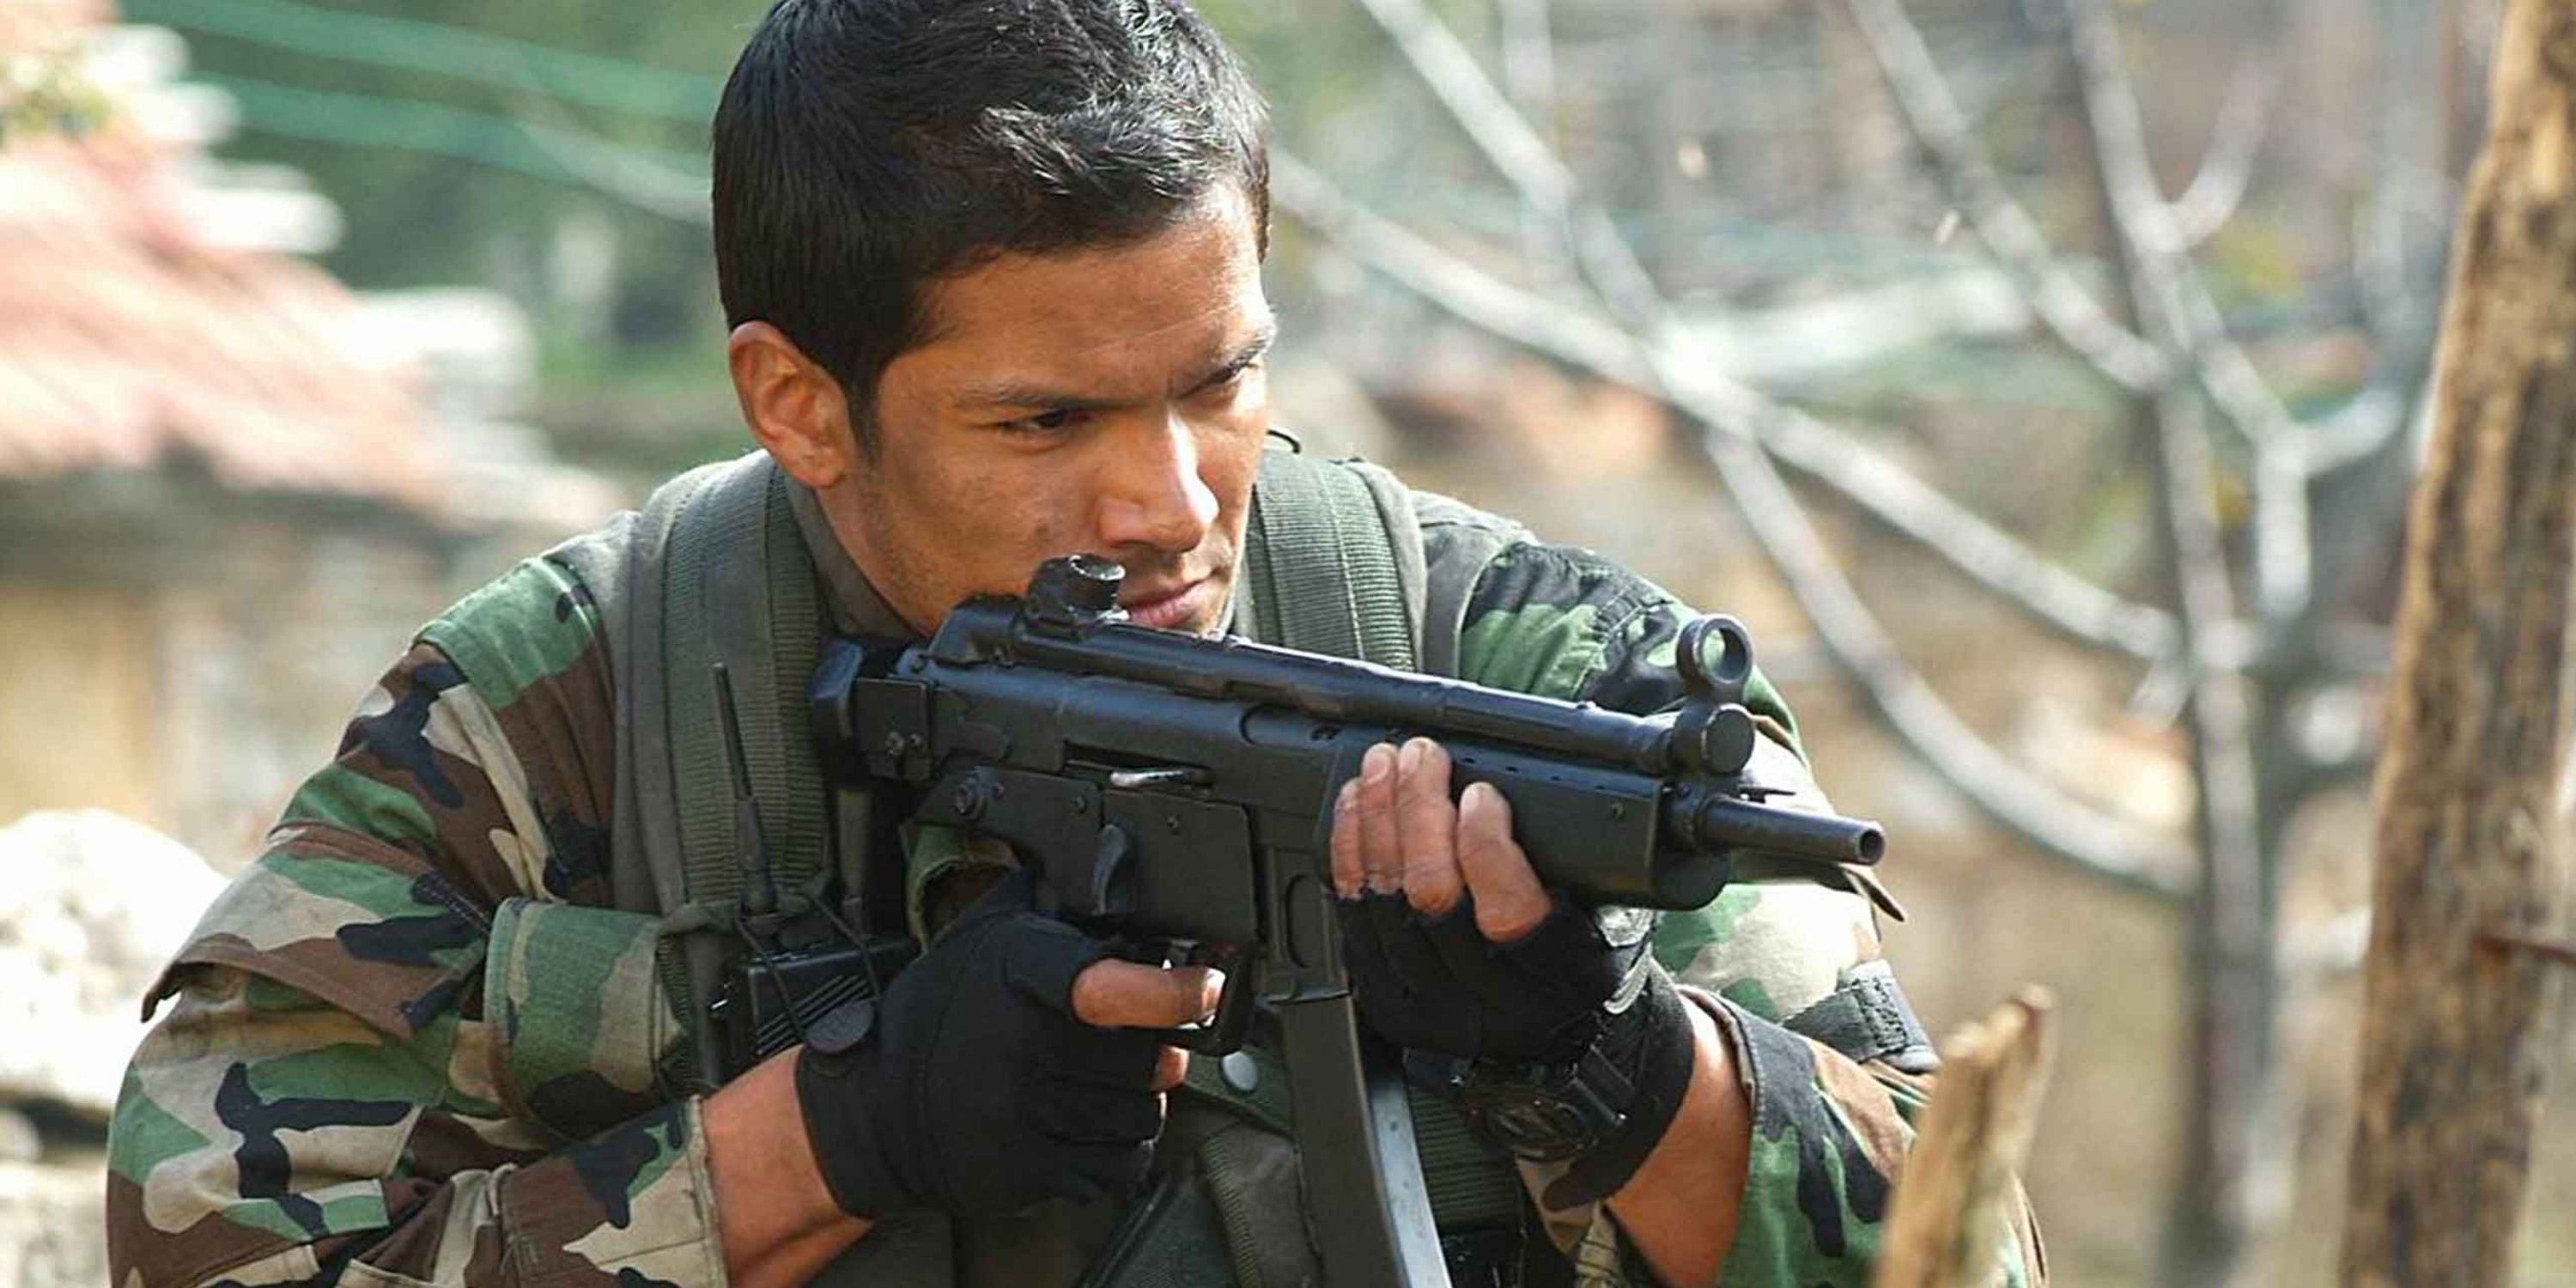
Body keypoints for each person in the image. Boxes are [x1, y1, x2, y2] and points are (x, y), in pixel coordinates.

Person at [104, 2, 2042, 1285]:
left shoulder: (1523, 678)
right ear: (798, 401)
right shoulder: (569, 719)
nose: (1172, 506)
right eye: (1045, 425)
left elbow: (1971, 1254)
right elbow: (203, 1242)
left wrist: (1611, 1065)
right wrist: (828, 1132)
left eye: (1222, 386)